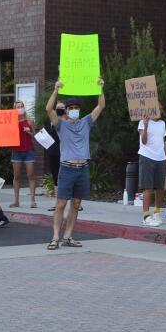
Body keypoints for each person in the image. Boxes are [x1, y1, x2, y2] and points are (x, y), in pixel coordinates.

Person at [45, 78, 105, 250]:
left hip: (82, 169)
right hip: (67, 168)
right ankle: (55, 237)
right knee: (61, 204)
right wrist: (56, 90)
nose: (74, 110)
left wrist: (101, 88)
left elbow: (100, 106)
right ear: (66, 111)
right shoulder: (60, 125)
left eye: (76, 108)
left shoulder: (86, 122)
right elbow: (49, 109)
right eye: (70, 108)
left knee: (76, 204)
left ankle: (68, 236)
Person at [137, 111, 166, 227]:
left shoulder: (162, 124)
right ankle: (146, 216)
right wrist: (145, 125)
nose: (159, 111)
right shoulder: (143, 121)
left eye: (161, 109)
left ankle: (157, 213)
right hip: (147, 156)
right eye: (157, 108)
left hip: (161, 158)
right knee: (147, 187)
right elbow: (144, 141)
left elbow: (163, 142)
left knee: (160, 187)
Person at [10, 100, 38, 208]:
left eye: (22, 106)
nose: (20, 108)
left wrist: (29, 132)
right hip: (16, 151)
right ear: (15, 108)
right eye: (18, 106)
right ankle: (16, 201)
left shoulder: (30, 121)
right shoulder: (12, 121)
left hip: (28, 151)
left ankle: (33, 201)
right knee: (16, 177)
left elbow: (34, 136)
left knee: (31, 175)